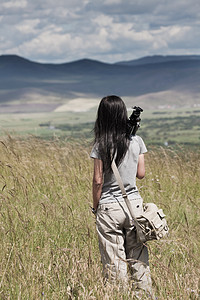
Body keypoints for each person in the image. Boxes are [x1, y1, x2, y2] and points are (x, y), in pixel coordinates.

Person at [90, 95, 152, 296]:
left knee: (114, 263)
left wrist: (96, 206)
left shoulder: (100, 145)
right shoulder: (136, 141)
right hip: (134, 206)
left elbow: (98, 181)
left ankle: (119, 295)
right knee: (138, 259)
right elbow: (140, 174)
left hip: (109, 207)